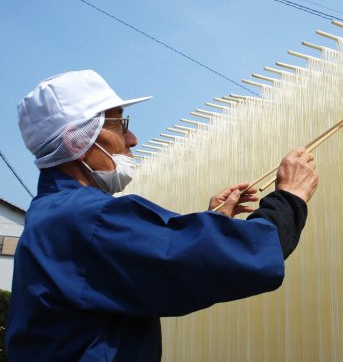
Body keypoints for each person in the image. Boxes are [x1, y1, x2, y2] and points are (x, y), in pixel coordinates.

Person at [6, 70, 318, 361]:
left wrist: (215, 221)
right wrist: (288, 198)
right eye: (120, 125)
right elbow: (234, 259)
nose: (132, 140)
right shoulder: (87, 219)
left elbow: (156, 261)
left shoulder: (50, 217)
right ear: (78, 140)